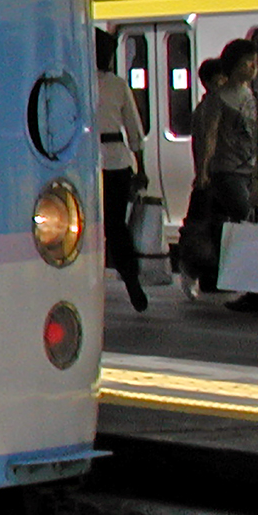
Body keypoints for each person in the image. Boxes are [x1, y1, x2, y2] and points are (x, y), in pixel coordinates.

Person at [195, 38, 258, 306]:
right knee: (247, 220)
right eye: (247, 63)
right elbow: (209, 136)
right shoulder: (219, 98)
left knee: (249, 222)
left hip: (249, 169)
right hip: (227, 169)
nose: (253, 68)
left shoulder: (250, 95)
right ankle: (252, 287)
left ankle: (252, 286)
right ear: (233, 66)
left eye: (254, 63)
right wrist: (203, 170)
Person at [97, 30, 149, 311]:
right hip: (117, 162)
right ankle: (132, 282)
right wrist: (141, 168)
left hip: (84, 165)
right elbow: (134, 130)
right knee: (116, 226)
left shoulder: (75, 82)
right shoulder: (118, 85)